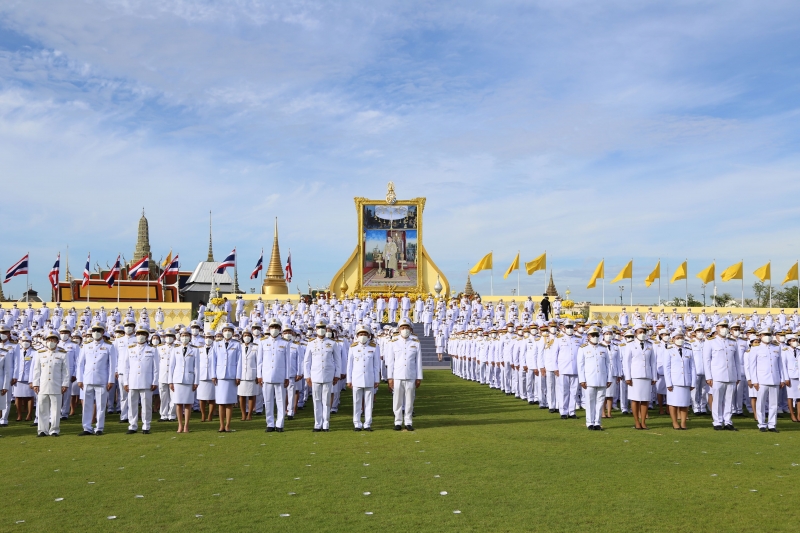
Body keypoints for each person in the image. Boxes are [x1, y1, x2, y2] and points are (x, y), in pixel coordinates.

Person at [76, 322, 117, 436]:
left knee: (101, 405)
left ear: (103, 332)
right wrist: (80, 379)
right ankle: (87, 427)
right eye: (94, 330)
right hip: (87, 379)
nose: (96, 333)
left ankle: (99, 427)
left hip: (102, 380)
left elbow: (112, 365)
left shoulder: (109, 346)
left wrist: (110, 380)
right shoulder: (86, 346)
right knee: (87, 405)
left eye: (99, 331)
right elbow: (80, 364)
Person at [702, 319, 741, 431]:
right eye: (721, 326)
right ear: (717, 328)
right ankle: (717, 421)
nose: (724, 328)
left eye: (725, 326)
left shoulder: (733, 342)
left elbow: (737, 361)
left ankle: (728, 421)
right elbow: (707, 360)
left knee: (729, 400)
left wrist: (738, 376)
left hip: (731, 375)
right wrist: (708, 376)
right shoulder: (710, 342)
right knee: (717, 400)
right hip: (717, 375)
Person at [304, 319, 341, 432]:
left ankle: (326, 423)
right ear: (315, 330)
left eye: (323, 328)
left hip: (328, 375)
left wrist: (337, 375)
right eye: (319, 328)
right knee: (316, 400)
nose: (321, 330)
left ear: (326, 329)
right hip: (315, 375)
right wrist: (307, 376)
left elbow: (337, 360)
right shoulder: (311, 343)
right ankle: (317, 423)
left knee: (326, 400)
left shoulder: (332, 343)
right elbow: (307, 361)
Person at [121, 324, 158, 434]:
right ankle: (132, 425)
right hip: (133, 381)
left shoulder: (152, 350)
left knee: (146, 405)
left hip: (146, 381)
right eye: (138, 334)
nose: (140, 336)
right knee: (132, 404)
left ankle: (146, 425)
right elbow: (126, 367)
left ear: (147, 336)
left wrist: (154, 381)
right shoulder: (130, 349)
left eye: (143, 334)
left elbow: (156, 367)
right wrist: (126, 382)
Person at [31, 330, 70, 437]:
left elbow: (66, 371)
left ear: (57, 341)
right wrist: (35, 383)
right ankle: (42, 430)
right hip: (43, 385)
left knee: (56, 409)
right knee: (42, 408)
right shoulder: (40, 353)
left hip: (56, 385)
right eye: (48, 340)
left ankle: (54, 430)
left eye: (53, 339)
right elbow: (36, 370)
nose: (50, 342)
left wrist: (65, 384)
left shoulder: (62, 354)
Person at [386, 318, 422, 431]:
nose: (405, 329)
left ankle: (408, 421)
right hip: (397, 375)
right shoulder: (393, 342)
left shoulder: (415, 343)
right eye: (403, 327)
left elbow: (418, 361)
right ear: (399, 329)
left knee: (410, 400)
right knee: (397, 400)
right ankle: (397, 421)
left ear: (410, 329)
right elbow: (390, 362)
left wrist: (419, 377)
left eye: (407, 327)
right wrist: (390, 378)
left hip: (411, 375)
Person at [749, 328, 786, 433]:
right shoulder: (756, 348)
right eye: (765, 334)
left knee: (774, 404)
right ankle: (761, 424)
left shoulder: (776, 348)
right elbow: (752, 366)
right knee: (760, 403)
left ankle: (772, 424)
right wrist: (754, 380)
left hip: (775, 379)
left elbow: (780, 365)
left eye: (769, 334)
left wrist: (782, 379)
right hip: (761, 380)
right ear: (760, 336)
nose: (767, 336)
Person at [257, 319, 290, 432]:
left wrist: (287, 377)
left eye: (276, 327)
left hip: (280, 376)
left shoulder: (285, 343)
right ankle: (270, 424)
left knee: (280, 401)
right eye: (272, 327)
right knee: (268, 401)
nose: (274, 329)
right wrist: (259, 375)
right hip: (266, 376)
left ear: (280, 329)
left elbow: (287, 362)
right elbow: (259, 361)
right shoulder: (263, 342)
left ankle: (280, 424)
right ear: (269, 329)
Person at [577, 326, 612, 430]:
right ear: (588, 336)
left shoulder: (603, 348)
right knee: (590, 401)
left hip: (602, 379)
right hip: (589, 379)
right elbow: (580, 365)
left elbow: (608, 365)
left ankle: (597, 422)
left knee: (600, 402)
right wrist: (582, 380)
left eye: (597, 335)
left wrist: (609, 378)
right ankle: (590, 422)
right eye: (593, 335)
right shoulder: (583, 348)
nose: (595, 337)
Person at [347, 325, 381, 431]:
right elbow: (349, 365)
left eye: (365, 334)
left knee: (369, 403)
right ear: (357, 336)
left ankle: (367, 423)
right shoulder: (353, 347)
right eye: (360, 334)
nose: (363, 336)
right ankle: (357, 423)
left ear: (369, 335)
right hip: (356, 379)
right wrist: (349, 380)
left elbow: (376, 365)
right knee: (356, 402)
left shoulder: (374, 347)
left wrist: (377, 380)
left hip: (369, 378)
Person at [623, 326, 657, 430]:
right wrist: (628, 377)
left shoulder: (650, 345)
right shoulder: (630, 345)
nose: (642, 334)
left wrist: (654, 376)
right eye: (640, 332)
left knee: (645, 400)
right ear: (635, 334)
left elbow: (653, 362)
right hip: (635, 376)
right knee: (635, 400)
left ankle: (643, 421)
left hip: (647, 375)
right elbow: (626, 362)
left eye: (644, 332)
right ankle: (636, 421)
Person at [664, 330, 695, 430]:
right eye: (677, 338)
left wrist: (693, 382)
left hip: (686, 381)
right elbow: (667, 368)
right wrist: (668, 383)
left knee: (684, 404)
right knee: (673, 403)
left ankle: (683, 422)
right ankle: (674, 422)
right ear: (673, 339)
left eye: (681, 338)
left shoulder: (689, 351)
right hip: (674, 382)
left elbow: (693, 368)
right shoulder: (669, 351)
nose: (680, 340)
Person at [170, 328, 199, 433]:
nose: (185, 337)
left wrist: (196, 382)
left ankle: (186, 425)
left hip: (189, 379)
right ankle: (180, 425)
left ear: (190, 337)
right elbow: (172, 367)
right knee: (178, 403)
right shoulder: (175, 349)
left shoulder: (195, 350)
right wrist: (170, 381)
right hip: (177, 379)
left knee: (188, 403)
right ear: (180, 336)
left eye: (187, 335)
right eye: (183, 335)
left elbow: (197, 367)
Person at [215, 323, 241, 433]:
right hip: (220, 376)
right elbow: (214, 360)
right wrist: (213, 375)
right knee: (221, 402)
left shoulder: (237, 344)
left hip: (231, 376)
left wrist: (238, 376)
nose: (227, 332)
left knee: (229, 402)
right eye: (225, 330)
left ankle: (228, 425)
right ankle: (221, 425)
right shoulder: (217, 344)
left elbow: (239, 361)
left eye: (229, 330)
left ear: (233, 332)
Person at [237, 328, 258, 421]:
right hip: (241, 375)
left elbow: (258, 362)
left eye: (248, 335)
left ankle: (249, 414)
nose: (247, 337)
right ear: (242, 337)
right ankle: (243, 414)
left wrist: (258, 375)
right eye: (245, 335)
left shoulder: (255, 347)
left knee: (251, 395)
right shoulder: (239, 347)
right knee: (241, 396)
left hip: (252, 374)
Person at [157, 328, 177, 422]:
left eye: (171, 336)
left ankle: (172, 415)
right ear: (164, 337)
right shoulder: (160, 347)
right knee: (163, 396)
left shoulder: (177, 347)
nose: (169, 338)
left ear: (174, 337)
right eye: (167, 336)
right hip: (162, 375)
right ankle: (163, 415)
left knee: (174, 396)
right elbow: (157, 362)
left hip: (173, 376)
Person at [197, 327, 216, 422]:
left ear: (213, 338)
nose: (208, 339)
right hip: (202, 375)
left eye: (210, 337)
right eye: (206, 337)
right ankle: (203, 415)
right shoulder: (199, 350)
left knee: (212, 398)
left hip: (212, 376)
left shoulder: (216, 349)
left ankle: (210, 415)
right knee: (202, 398)